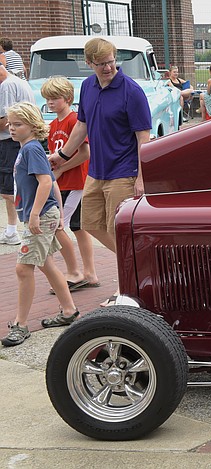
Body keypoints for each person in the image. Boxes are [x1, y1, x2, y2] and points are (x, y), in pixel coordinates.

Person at [48, 37, 151, 307]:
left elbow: (143, 137)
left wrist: (142, 177)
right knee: (90, 224)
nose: (108, 68)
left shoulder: (131, 91)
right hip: (96, 172)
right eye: (102, 64)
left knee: (118, 231)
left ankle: (125, 290)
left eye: (111, 62)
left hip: (124, 171)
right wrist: (61, 156)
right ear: (89, 63)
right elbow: (81, 126)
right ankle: (141, 263)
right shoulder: (87, 86)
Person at [1, 102, 80, 347]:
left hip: (38, 217)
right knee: (45, 263)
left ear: (33, 125)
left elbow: (45, 182)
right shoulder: (29, 149)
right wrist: (56, 213)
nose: (11, 128)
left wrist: (36, 214)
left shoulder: (31, 149)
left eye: (18, 124)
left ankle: (21, 324)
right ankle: (69, 310)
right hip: (43, 215)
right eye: (10, 124)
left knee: (23, 269)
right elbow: (52, 182)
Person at [41, 76, 99, 291]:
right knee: (78, 227)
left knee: (59, 227)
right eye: (47, 98)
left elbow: (86, 153)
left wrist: (63, 168)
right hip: (63, 182)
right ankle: (89, 273)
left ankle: (74, 272)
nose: (50, 102)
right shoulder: (54, 123)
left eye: (54, 98)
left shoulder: (74, 120)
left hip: (76, 182)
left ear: (67, 98)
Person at [0, 64, 35, 246]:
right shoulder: (16, 81)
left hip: (9, 143)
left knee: (9, 190)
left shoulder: (6, 85)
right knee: (12, 188)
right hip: (16, 142)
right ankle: (14, 229)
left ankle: (14, 230)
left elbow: (5, 121)